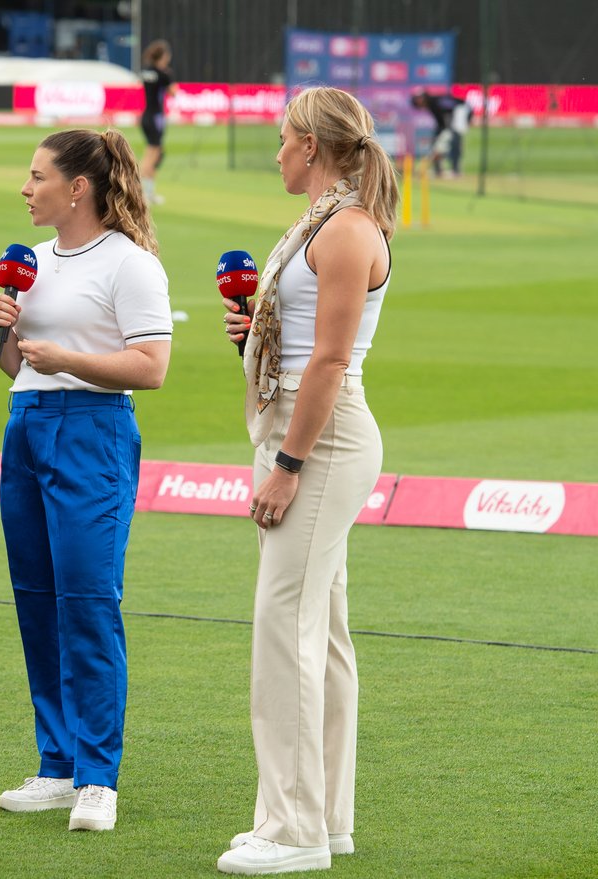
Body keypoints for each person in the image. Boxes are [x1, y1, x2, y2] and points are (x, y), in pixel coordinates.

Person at [216, 86, 398, 874]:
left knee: (284, 626)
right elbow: (301, 348)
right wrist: (251, 330)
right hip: (300, 425)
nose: (277, 151)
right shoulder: (326, 221)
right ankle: (324, 816)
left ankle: (294, 830)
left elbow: (329, 360)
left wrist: (288, 465)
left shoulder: (348, 229)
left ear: (313, 145)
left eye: (284, 139)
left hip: (319, 439)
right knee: (317, 630)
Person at [0, 128, 172, 833]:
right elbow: (20, 367)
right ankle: (56, 764)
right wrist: (5, 334)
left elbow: (151, 368)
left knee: (88, 601)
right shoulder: (31, 261)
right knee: (37, 600)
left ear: (78, 189)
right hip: (26, 424)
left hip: (93, 433)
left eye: (36, 176)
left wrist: (61, 356)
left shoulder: (130, 264)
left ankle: (98, 777)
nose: (25, 188)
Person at [139, 39, 177, 206]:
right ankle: (140, 193)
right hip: (156, 117)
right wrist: (169, 77)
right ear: (163, 56)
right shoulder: (164, 74)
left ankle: (149, 192)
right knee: (151, 155)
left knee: (154, 154)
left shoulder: (147, 71)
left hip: (146, 115)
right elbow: (173, 92)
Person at [410, 88, 472, 178]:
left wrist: (447, 130)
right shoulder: (431, 105)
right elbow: (441, 122)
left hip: (460, 111)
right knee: (438, 144)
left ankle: (456, 170)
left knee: (455, 140)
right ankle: (438, 170)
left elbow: (450, 111)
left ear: (423, 98)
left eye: (419, 99)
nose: (418, 102)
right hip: (449, 121)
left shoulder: (436, 102)